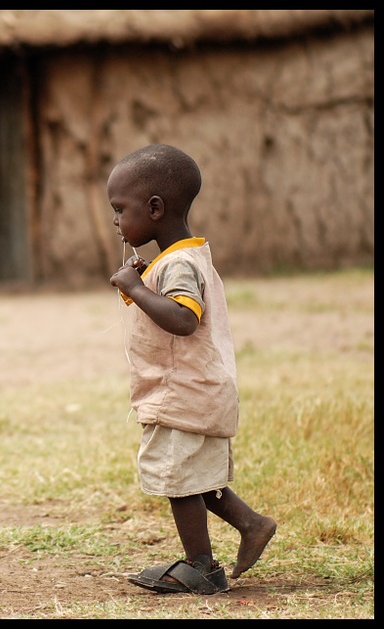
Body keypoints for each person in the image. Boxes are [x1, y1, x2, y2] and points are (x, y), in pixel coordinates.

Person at [107, 144, 277, 595]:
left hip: (181, 392)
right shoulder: (181, 257)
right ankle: (252, 524)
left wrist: (134, 289)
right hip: (196, 388)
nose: (117, 222)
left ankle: (201, 566)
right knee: (195, 473)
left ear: (155, 208)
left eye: (120, 209)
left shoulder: (180, 262)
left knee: (180, 480)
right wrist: (140, 286)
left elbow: (184, 319)